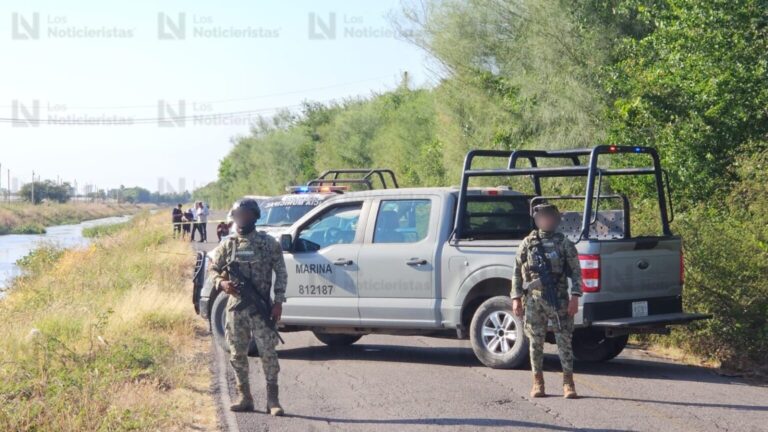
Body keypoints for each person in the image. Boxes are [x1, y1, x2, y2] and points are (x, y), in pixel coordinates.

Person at [208, 198, 288, 415]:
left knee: (268, 353)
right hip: (236, 309)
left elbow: (281, 272)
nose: (241, 219)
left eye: (245, 215)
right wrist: (221, 283)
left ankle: (273, 400)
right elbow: (213, 268)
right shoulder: (228, 244)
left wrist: (278, 301)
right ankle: (244, 397)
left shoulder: (268, 243)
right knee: (237, 353)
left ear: (254, 216)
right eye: (237, 215)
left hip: (261, 308)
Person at [511, 203, 582, 399]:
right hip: (534, 301)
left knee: (564, 341)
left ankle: (568, 383)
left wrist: (575, 297)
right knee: (535, 342)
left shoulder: (564, 243)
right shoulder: (528, 243)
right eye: (542, 217)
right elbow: (517, 271)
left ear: (555, 219)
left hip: (559, 299)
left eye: (549, 217)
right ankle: (538, 383)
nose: (546, 220)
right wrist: (516, 297)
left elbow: (576, 273)